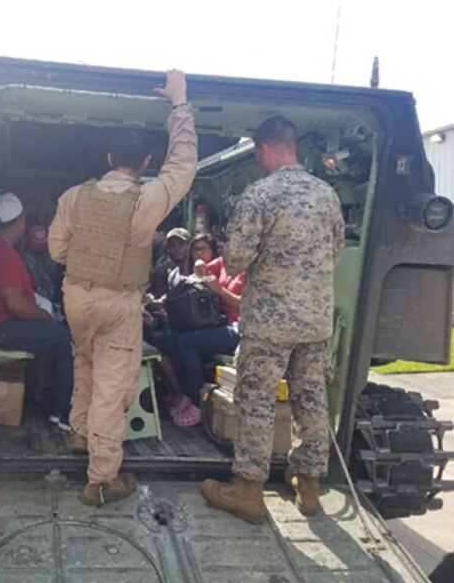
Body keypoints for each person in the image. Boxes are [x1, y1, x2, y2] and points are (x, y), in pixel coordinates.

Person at [48, 70, 198, 506]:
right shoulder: (147, 198)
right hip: (119, 302)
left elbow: (58, 249)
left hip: (76, 296)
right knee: (114, 389)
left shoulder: (74, 196)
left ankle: (80, 433)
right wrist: (179, 104)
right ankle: (101, 480)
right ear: (146, 164)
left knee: (85, 362)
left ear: (110, 156)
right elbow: (183, 166)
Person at [201, 115, 345, 523]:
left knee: (257, 401)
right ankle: (309, 487)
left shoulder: (260, 195)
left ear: (263, 149)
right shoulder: (326, 195)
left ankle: (247, 491)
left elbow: (236, 259)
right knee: (311, 400)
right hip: (315, 322)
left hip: (269, 323)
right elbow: (335, 254)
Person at [0, 192, 74, 430]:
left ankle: (49, 397)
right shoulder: (3, 252)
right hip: (2, 326)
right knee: (66, 342)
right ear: (19, 221)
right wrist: (44, 316)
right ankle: (63, 415)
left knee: (55, 335)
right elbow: (14, 303)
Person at [168, 233, 243, 426]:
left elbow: (247, 306)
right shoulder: (224, 264)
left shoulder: (251, 270)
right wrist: (199, 261)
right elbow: (201, 268)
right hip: (221, 324)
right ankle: (185, 393)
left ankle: (196, 402)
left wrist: (219, 290)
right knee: (175, 338)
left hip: (240, 330)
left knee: (187, 342)